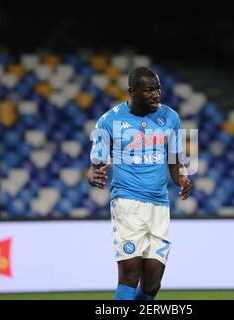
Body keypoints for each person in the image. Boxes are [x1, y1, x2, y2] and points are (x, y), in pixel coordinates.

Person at [87, 66, 192, 300]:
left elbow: (174, 163)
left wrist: (182, 179)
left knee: (152, 284)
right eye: (149, 90)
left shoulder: (170, 117)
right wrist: (92, 175)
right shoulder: (109, 120)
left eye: (158, 89)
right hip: (127, 202)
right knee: (129, 275)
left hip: (159, 206)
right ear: (132, 91)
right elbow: (95, 166)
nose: (156, 95)